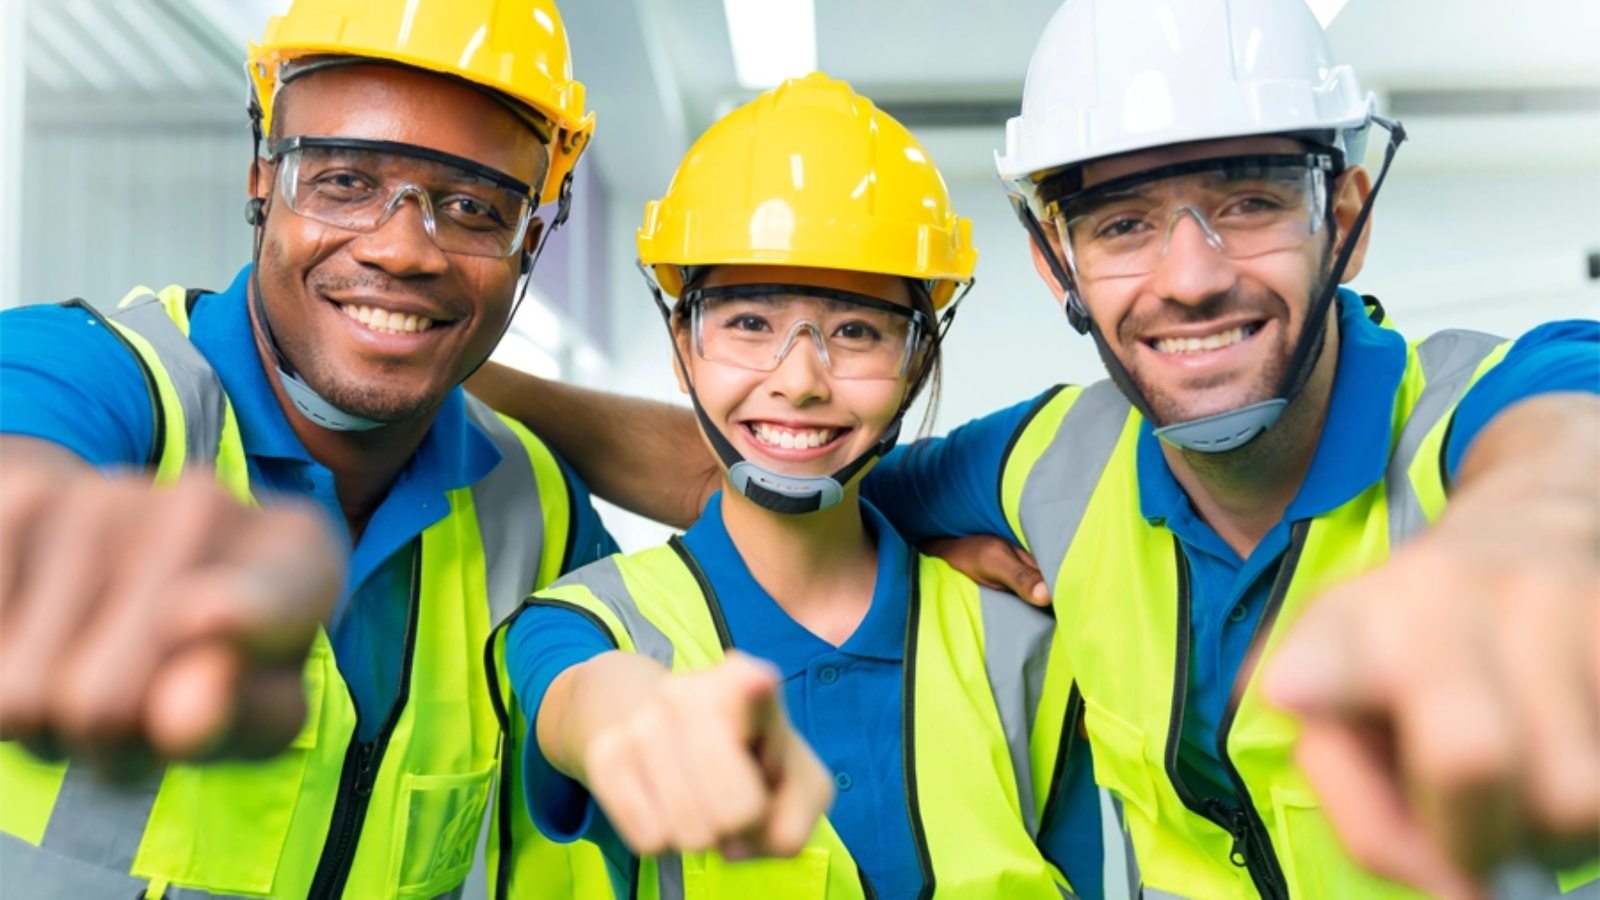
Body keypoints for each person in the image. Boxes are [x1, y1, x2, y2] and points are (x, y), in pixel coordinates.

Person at [470, 1, 1600, 898]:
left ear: (1344, 214)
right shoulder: (1051, 468)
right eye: (1120, 221)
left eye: (1251, 200)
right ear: (1055, 262)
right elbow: (774, 468)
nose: (1191, 272)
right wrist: (456, 372)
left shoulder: (1477, 415)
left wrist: (1521, 540)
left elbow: (1565, 426)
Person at [0, 0, 618, 897]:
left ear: (530, 243)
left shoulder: (542, 512)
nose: (405, 249)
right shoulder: (95, 379)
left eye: (473, 206)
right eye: (344, 182)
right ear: (261, 179)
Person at [491, 73, 1106, 900]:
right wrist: (627, 715)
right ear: (683, 344)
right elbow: (581, 701)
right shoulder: (586, 623)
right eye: (750, 324)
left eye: (855, 331)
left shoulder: (1020, 635)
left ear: (918, 361)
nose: (802, 380)